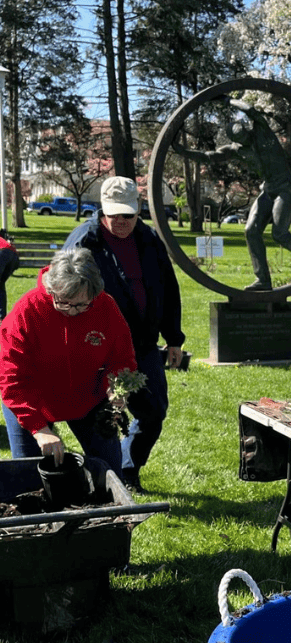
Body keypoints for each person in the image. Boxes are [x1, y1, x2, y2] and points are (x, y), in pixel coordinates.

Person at [63, 176, 186, 493]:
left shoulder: (149, 239)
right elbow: (62, 299)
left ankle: (128, 469)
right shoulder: (83, 244)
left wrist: (174, 338)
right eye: (114, 214)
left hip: (142, 347)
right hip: (97, 351)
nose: (120, 221)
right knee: (104, 418)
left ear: (138, 210)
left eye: (127, 215)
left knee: (153, 412)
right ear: (101, 209)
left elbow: (168, 291)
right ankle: (108, 479)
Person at [0, 247, 136, 473]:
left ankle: (110, 508)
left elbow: (121, 356)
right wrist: (38, 429)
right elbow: (11, 378)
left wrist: (116, 388)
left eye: (82, 305)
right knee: (28, 475)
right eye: (64, 303)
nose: (73, 311)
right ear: (51, 289)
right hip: (33, 400)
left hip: (87, 398)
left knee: (110, 468)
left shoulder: (105, 306)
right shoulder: (26, 311)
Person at [173, 99, 291, 291]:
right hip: (269, 189)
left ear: (246, 129)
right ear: (235, 140)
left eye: (244, 134)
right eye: (240, 138)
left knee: (279, 233)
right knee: (251, 231)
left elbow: (252, 111)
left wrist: (228, 99)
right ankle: (263, 280)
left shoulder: (261, 131)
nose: (245, 139)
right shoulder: (237, 151)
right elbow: (208, 157)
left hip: (285, 185)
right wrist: (181, 150)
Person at [0, 232, 19, 321]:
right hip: (14, 257)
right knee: (0, 286)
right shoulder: (3, 239)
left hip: (3, 254)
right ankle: (2, 317)